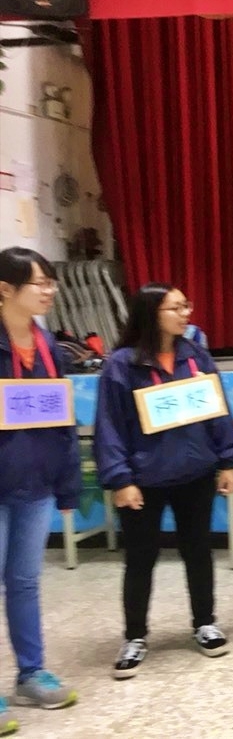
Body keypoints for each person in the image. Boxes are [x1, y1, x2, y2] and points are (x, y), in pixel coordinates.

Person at [94, 283, 233, 678]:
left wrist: (228, 460)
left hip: (195, 472)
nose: (185, 314)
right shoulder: (121, 365)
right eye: (175, 308)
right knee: (140, 558)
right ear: (151, 314)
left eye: (185, 306)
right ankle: (135, 636)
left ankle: (205, 623)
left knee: (199, 550)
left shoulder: (196, 356)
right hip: (143, 480)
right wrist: (120, 479)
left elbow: (218, 410)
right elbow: (109, 426)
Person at [0, 248, 80, 724]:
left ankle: (31, 674)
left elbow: (62, 418)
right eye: (40, 283)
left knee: (25, 582)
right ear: (5, 289)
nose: (50, 290)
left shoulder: (49, 345)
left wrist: (67, 484)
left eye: (52, 282)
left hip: (35, 487)